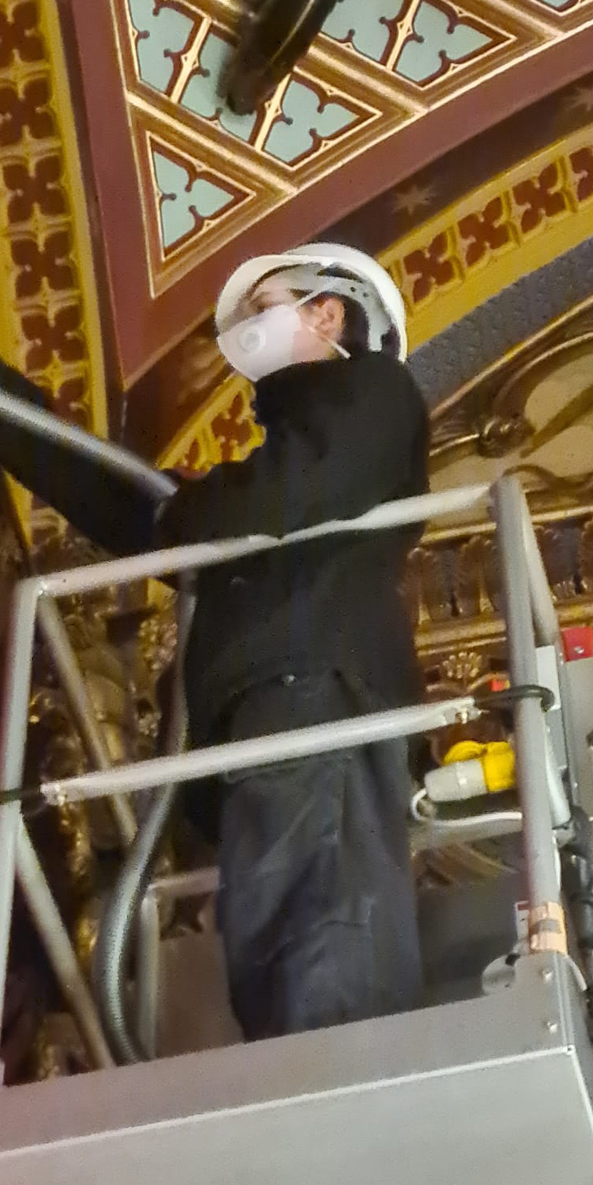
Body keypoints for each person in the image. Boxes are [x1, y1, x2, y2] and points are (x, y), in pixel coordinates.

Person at [154, 243, 430, 1040]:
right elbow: (155, 515)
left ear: (327, 312)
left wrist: (190, 514)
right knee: (278, 955)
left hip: (313, 697)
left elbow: (292, 489)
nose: (243, 328)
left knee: (320, 952)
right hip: (273, 715)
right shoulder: (271, 479)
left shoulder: (375, 393)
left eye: (262, 303)